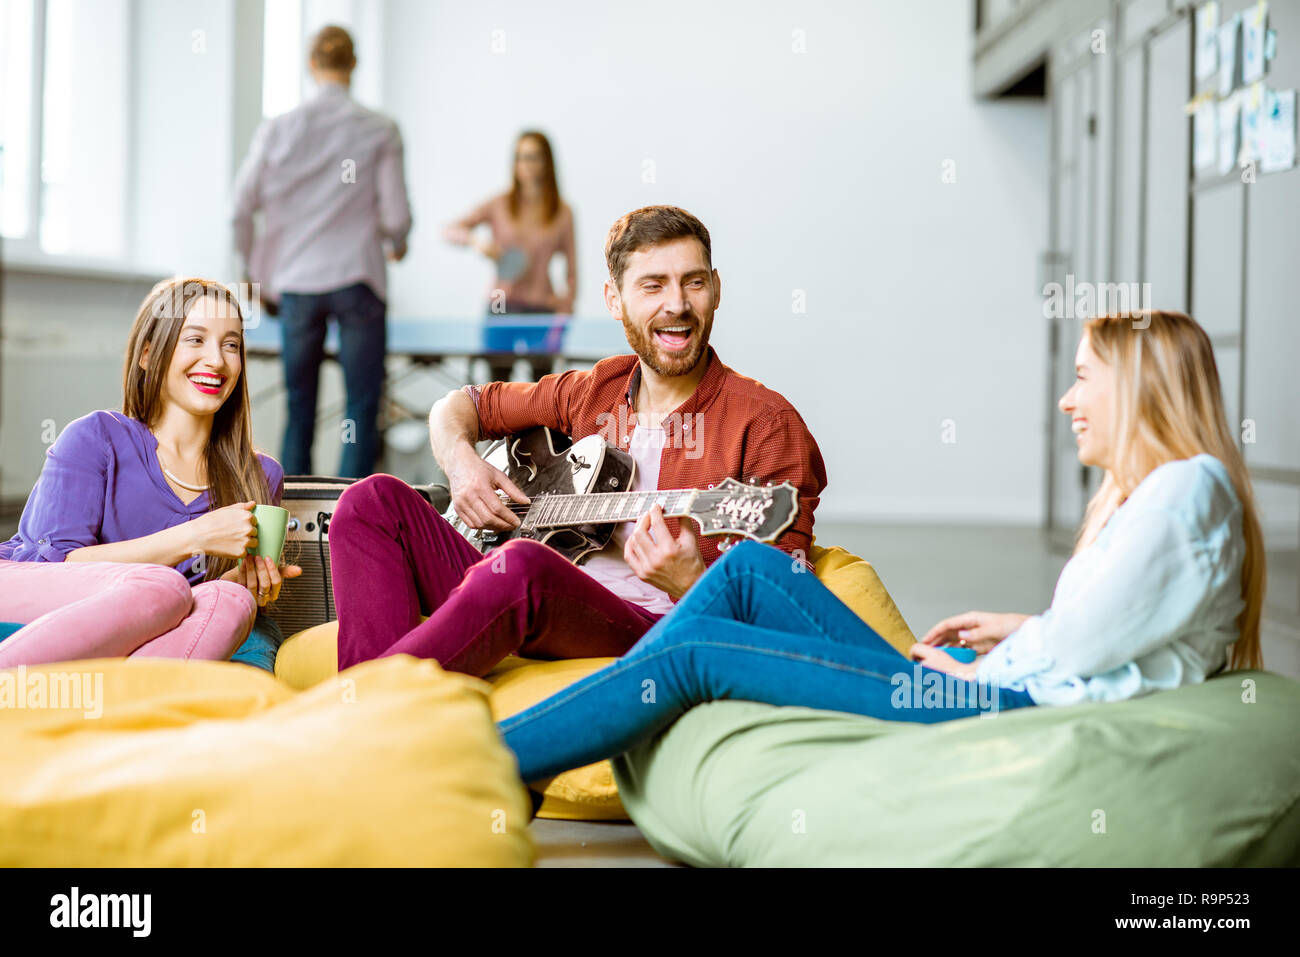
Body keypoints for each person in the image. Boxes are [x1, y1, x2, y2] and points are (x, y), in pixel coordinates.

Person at [497, 310, 1267, 782]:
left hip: (989, 704)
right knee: (752, 566)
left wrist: (989, 661)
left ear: (1139, 389)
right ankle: (605, 709)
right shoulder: (1163, 493)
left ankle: (492, 755)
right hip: (982, 681)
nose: (1068, 399)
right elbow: (1121, 629)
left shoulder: (1186, 488)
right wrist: (1022, 629)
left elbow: (1082, 655)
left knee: (692, 656)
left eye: (1084, 378)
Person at [328, 205, 827, 676]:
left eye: (693, 283)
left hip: (644, 624)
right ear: (615, 300)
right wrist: (461, 464)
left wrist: (692, 584)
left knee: (519, 566)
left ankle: (364, 707)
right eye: (653, 285)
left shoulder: (767, 424)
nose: (677, 305)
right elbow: (461, 405)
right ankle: (376, 726)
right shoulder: (596, 389)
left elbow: (785, 619)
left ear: (715, 289)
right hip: (511, 580)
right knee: (369, 500)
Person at [0, 278, 301, 670]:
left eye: (231, 345)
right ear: (147, 354)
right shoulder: (95, 437)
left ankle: (126, 708)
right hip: (27, 599)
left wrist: (245, 583)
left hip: (146, 631)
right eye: (195, 340)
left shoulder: (261, 474)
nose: (216, 360)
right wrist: (195, 536)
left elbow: (195, 610)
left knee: (233, 603)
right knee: (163, 587)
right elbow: (54, 569)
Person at [233, 24, 412, 478]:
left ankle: (290, 521)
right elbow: (396, 218)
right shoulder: (380, 129)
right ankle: (355, 521)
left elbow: (240, 209)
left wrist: (254, 274)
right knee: (360, 406)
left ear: (311, 64)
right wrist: (398, 242)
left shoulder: (276, 130)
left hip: (295, 287)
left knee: (300, 407)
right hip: (358, 280)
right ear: (353, 64)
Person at [443, 130, 576, 382]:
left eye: (533, 157)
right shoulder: (499, 204)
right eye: (519, 157)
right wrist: (475, 241)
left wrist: (562, 319)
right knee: (498, 388)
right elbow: (450, 230)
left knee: (543, 391)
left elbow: (572, 273)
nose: (525, 165)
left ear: (547, 162)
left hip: (542, 311)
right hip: (501, 307)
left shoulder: (563, 212)